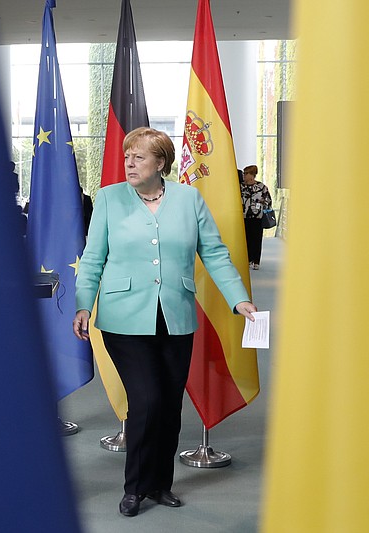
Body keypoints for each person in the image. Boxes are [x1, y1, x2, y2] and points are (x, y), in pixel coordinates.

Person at [72, 127, 257, 517]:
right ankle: (135, 487)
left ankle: (160, 484)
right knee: (146, 400)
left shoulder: (190, 199)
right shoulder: (108, 199)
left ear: (161, 163)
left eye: (138, 157)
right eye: (127, 157)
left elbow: (216, 254)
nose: (129, 163)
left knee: (170, 405)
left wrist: (239, 299)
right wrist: (84, 304)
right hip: (123, 319)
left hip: (176, 317)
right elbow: (92, 259)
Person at [240, 164, 272, 270]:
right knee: (246, 239)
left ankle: (256, 261)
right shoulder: (240, 187)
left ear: (252, 175)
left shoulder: (261, 187)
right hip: (244, 217)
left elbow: (268, 201)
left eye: (246, 173)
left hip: (257, 217)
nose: (244, 175)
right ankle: (248, 259)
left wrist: (263, 202)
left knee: (257, 239)